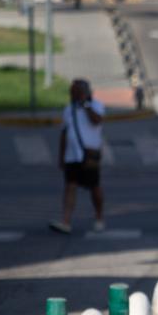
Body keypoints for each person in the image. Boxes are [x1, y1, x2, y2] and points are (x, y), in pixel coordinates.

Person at [50, 79, 106, 234]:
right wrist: (61, 157)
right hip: (72, 155)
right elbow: (64, 132)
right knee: (70, 186)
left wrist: (85, 105)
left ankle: (99, 217)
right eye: (72, 92)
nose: (73, 95)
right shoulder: (68, 109)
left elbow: (97, 121)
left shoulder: (96, 105)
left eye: (76, 92)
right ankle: (66, 221)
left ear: (85, 93)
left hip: (89, 155)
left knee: (94, 187)